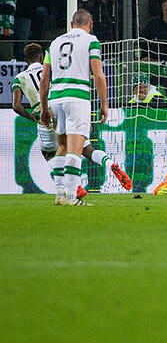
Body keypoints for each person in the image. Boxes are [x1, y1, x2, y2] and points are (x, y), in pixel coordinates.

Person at [14, 42, 131, 200]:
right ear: (41, 56)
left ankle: (74, 186)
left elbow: (16, 105)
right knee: (87, 149)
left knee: (50, 154)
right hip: (64, 109)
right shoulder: (52, 70)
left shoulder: (19, 78)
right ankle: (110, 164)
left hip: (44, 117)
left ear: (26, 59)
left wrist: (32, 116)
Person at [38, 11, 108, 205]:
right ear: (91, 23)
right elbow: (98, 74)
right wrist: (104, 104)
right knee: (75, 150)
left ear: (71, 23)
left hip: (56, 97)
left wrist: (44, 107)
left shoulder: (54, 43)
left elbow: (45, 79)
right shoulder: (91, 40)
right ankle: (70, 196)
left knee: (61, 147)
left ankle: (60, 194)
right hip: (77, 98)